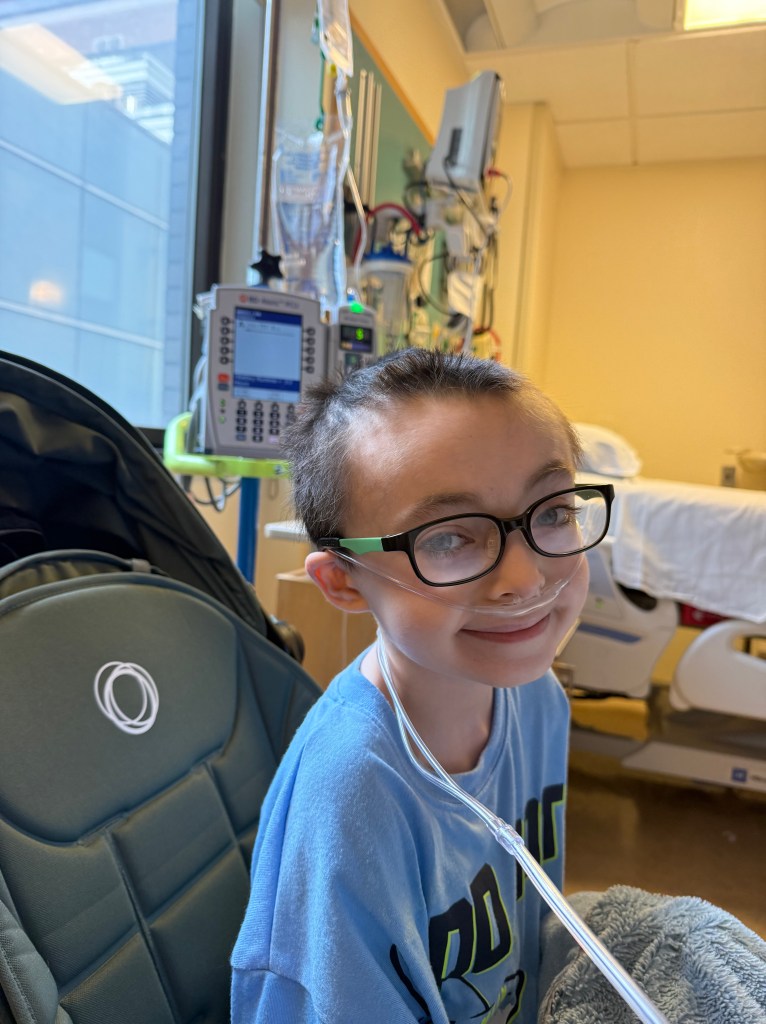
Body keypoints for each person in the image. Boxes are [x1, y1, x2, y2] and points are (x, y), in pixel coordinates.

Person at [230, 347, 613, 1024]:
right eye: (447, 539)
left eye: (552, 513)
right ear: (343, 581)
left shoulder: (536, 696)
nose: (524, 579)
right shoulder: (354, 792)